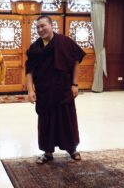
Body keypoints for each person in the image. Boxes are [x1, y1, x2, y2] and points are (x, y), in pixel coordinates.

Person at [25, 15, 86, 164]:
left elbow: (76, 62)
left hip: (63, 89)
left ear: (51, 26)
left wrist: (75, 84)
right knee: (46, 121)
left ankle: (72, 148)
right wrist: (30, 90)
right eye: (38, 27)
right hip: (44, 91)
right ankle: (47, 152)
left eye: (43, 26)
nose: (40, 29)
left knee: (67, 119)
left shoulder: (65, 43)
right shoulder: (35, 48)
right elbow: (29, 71)